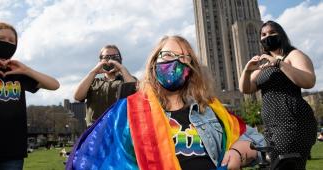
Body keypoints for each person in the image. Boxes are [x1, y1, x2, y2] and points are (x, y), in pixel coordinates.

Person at [66, 35, 265, 170]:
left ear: (192, 69)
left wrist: (239, 151)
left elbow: (258, 140)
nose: (176, 62)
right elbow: (91, 159)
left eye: (184, 58)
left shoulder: (210, 109)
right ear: (154, 63)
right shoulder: (128, 112)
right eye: (168, 55)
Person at [239, 20, 317, 169]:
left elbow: (309, 81)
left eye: (272, 33)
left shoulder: (293, 55)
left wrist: (278, 63)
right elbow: (246, 89)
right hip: (271, 127)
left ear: (281, 35)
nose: (267, 36)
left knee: (282, 165)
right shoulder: (264, 64)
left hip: (293, 123)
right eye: (263, 34)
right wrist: (247, 70)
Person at [0, 22, 60, 170]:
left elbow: (54, 85)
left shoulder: (17, 72)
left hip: (12, 152)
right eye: (1, 38)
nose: (7, 43)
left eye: (12, 41)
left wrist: (27, 70)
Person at [74, 45, 137, 127]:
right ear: (100, 60)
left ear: (120, 60)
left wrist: (122, 69)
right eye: (106, 57)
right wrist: (94, 72)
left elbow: (137, 94)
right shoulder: (93, 82)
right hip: (95, 132)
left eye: (115, 57)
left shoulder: (128, 80)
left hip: (120, 131)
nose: (110, 60)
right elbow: (77, 96)